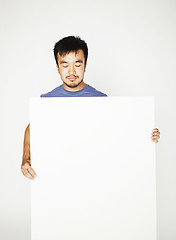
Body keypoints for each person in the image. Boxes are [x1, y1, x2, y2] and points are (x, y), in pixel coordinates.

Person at [21, 36, 160, 180]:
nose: (71, 72)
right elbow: (31, 129)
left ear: (85, 65)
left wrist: (146, 135)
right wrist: (26, 158)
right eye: (65, 65)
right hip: (58, 179)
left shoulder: (101, 100)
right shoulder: (46, 101)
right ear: (57, 67)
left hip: (94, 179)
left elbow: (119, 136)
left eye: (77, 64)